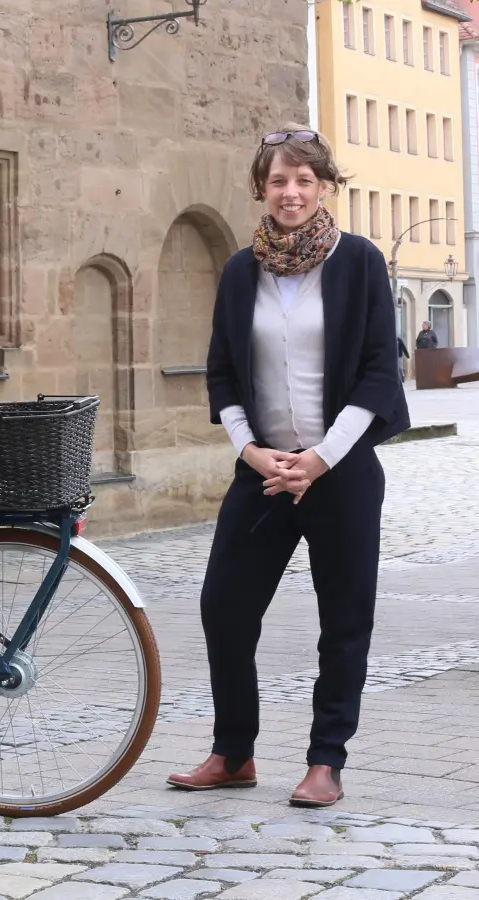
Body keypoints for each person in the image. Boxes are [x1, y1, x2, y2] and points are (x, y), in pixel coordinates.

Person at [169, 125, 409, 807]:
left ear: (324, 187)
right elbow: (222, 372)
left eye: (304, 179)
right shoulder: (242, 270)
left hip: (341, 473)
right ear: (261, 189)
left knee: (344, 618)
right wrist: (251, 450)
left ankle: (325, 761)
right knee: (224, 607)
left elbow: (376, 373)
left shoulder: (359, 262)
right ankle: (234, 751)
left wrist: (321, 458)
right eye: (279, 180)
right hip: (263, 474)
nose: (291, 191)